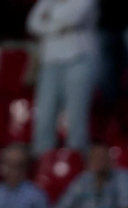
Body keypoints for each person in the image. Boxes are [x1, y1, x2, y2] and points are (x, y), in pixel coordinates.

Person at [26, 0, 97, 155]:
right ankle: (43, 166)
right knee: (44, 118)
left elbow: (72, 18)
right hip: (49, 62)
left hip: (78, 58)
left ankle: (76, 164)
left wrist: (49, 17)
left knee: (76, 120)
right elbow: (32, 23)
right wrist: (59, 26)